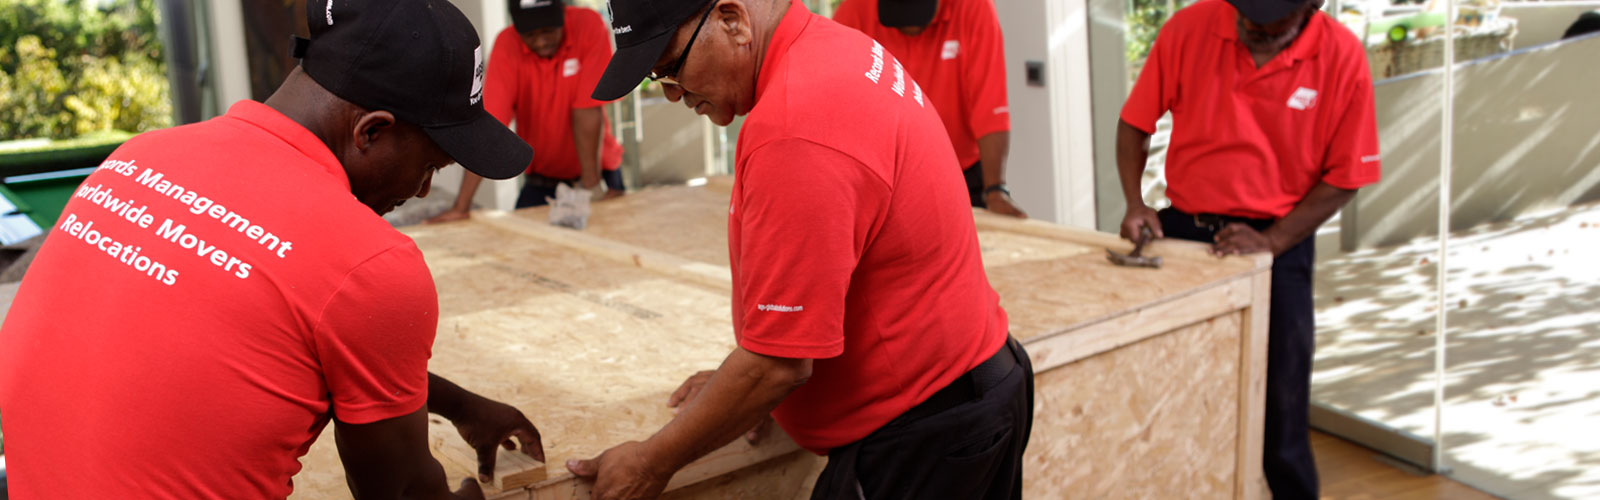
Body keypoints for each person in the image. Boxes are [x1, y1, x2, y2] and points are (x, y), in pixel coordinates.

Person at [0, 1, 544, 498]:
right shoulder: (370, 261)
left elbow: (257, 341)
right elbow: (400, 493)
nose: (422, 191)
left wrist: (458, 405)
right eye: (430, 167)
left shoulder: (138, 158)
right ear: (371, 132)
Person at [564, 0, 1032, 499]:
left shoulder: (795, 126)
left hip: (925, 437)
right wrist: (736, 394)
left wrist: (648, 463)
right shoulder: (831, 48)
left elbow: (779, 366)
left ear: (732, 21)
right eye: (657, 78)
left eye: (672, 67)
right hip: (967, 397)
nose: (672, 92)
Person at [1115, 0, 1381, 497]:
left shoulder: (1341, 55)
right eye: (1246, 16)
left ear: (1311, 7)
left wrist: (1274, 240)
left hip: (1280, 242)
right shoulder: (1190, 28)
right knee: (1176, 397)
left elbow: (1348, 175)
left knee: (1281, 413)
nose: (1254, 28)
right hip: (1186, 234)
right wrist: (1136, 202)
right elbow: (1135, 122)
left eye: (1271, 23)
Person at [427, 0, 626, 223]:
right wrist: (461, 206)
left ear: (561, 13)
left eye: (548, 31)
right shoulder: (507, 43)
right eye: (530, 34)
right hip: (541, 183)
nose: (540, 41)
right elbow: (491, 128)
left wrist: (592, 188)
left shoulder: (588, 25)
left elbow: (586, 110)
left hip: (597, 177)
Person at [833, 0, 1026, 218]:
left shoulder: (973, 7)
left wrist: (995, 189)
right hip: (887, 179)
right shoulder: (854, 11)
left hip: (961, 173)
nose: (911, 27)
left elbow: (989, 106)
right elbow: (840, 108)